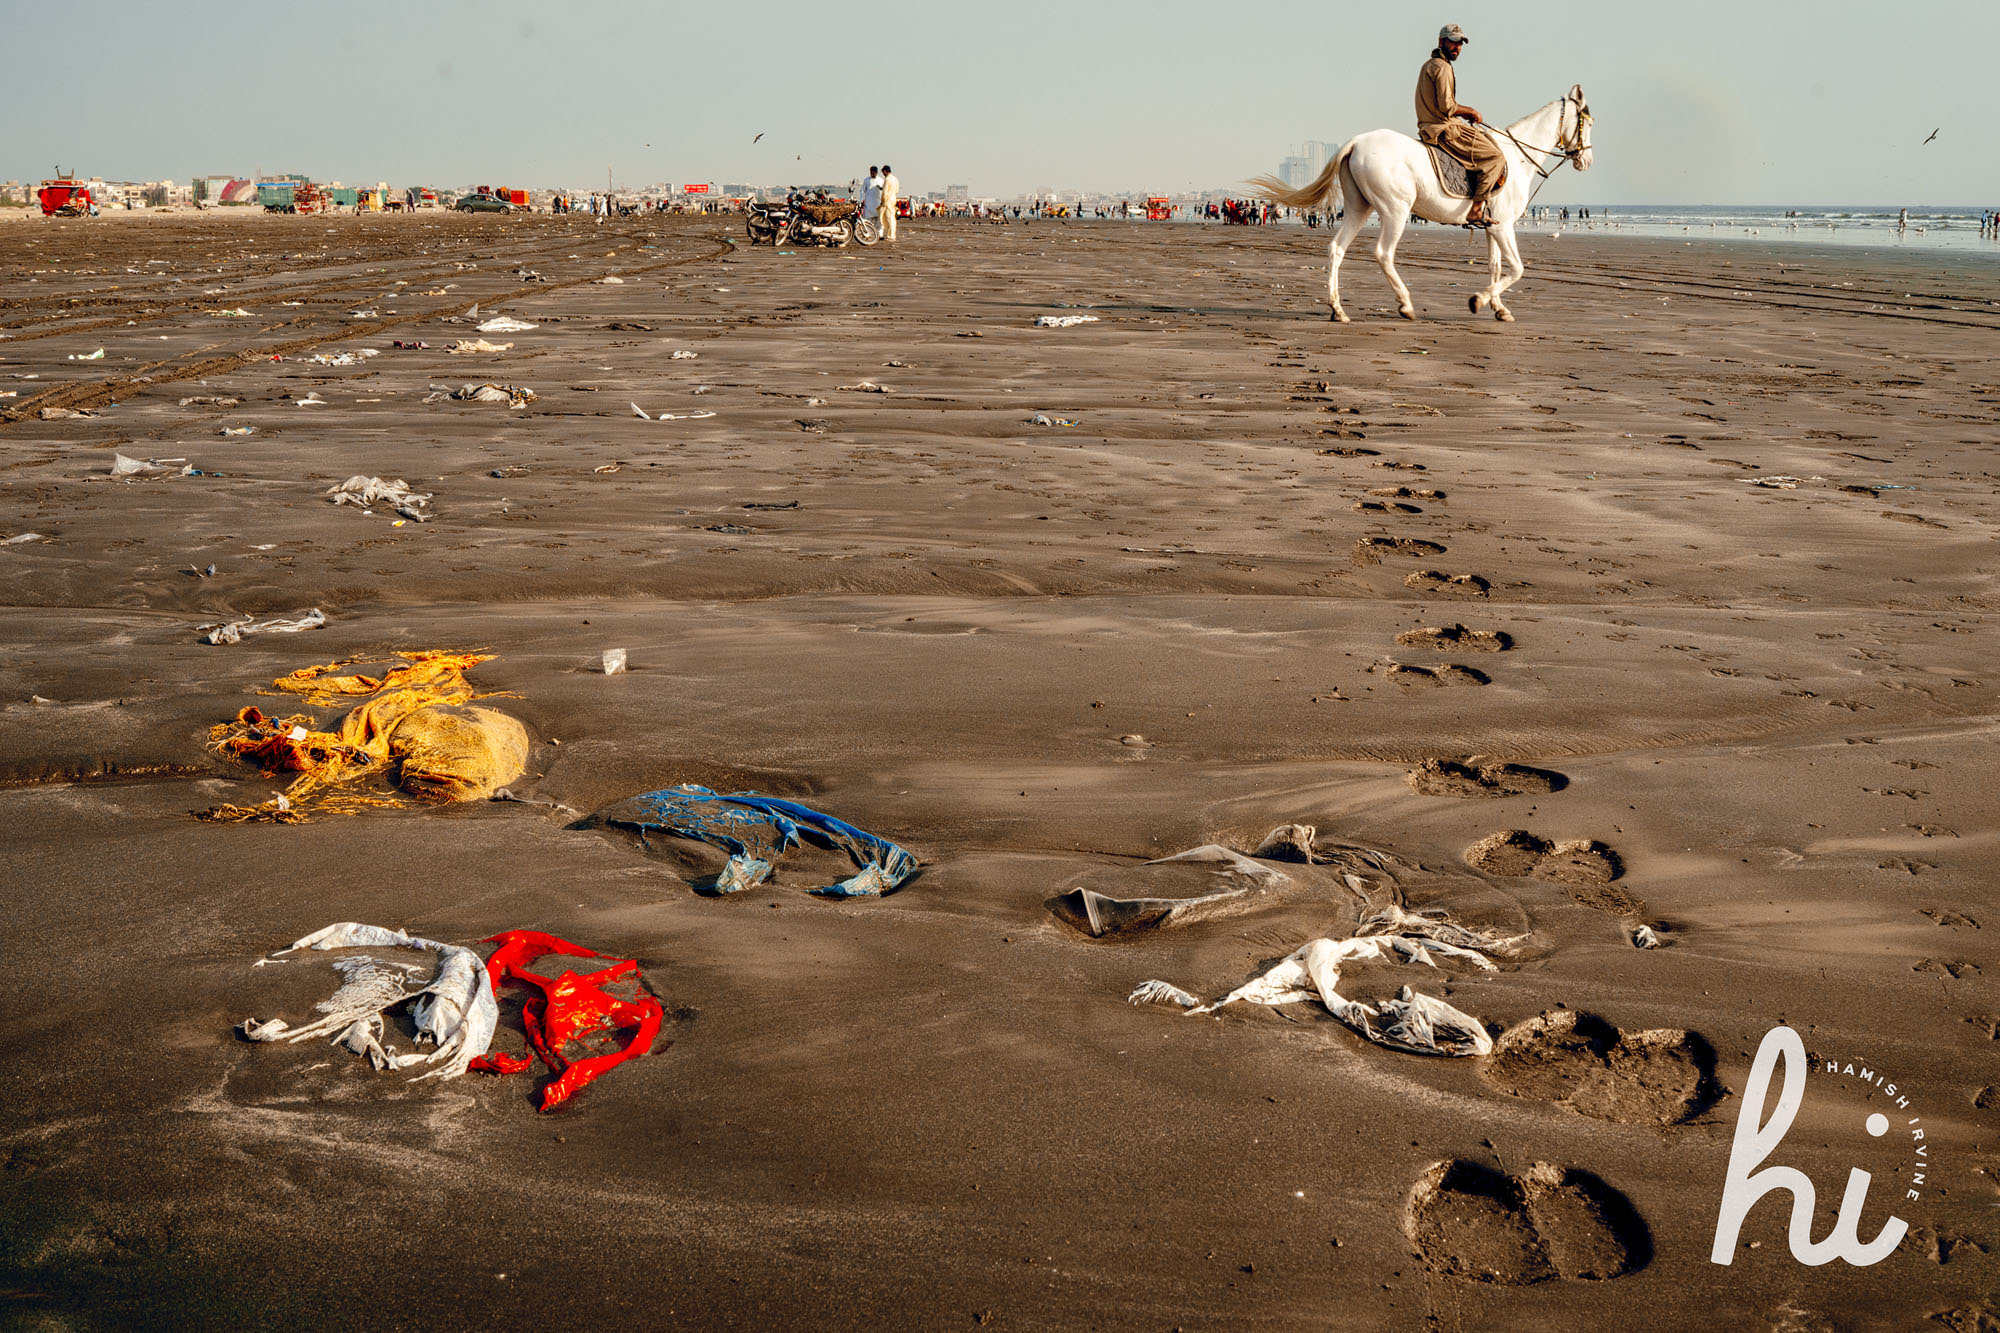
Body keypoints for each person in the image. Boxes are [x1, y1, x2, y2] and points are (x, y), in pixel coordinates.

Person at [1416, 23, 1506, 227]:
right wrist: (1471, 112)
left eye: (1460, 43)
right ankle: (1476, 210)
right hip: (1443, 129)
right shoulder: (1443, 68)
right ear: (1441, 41)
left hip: (1432, 124)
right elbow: (1447, 106)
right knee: (1495, 157)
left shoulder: (1428, 65)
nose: (1457, 47)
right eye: (1453, 42)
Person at [878, 164, 899, 241]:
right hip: (893, 199)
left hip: (887, 200)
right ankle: (891, 234)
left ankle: (891, 235)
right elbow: (897, 190)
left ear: (885, 171)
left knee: (888, 218)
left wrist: (882, 200)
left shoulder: (887, 179)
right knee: (891, 217)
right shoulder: (895, 179)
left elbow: (884, 192)